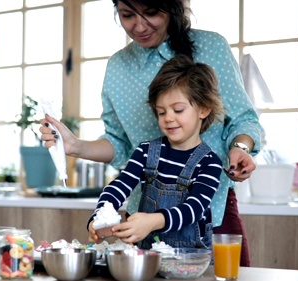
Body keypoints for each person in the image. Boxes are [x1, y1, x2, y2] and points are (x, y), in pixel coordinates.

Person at [40, 0, 263, 266]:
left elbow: (243, 119)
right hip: (141, 221)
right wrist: (75, 146)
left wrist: (240, 147)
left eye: (151, 12)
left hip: (210, 214)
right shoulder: (119, 69)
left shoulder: (211, 48)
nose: (139, 25)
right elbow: (119, 149)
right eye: (127, 15)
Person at [88, 55, 223, 249]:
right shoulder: (146, 152)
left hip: (190, 262)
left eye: (178, 110)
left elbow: (193, 209)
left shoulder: (209, 163)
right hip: (148, 258)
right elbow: (119, 187)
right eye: (161, 112)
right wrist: (99, 217)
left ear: (203, 109)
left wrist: (152, 221)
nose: (168, 118)